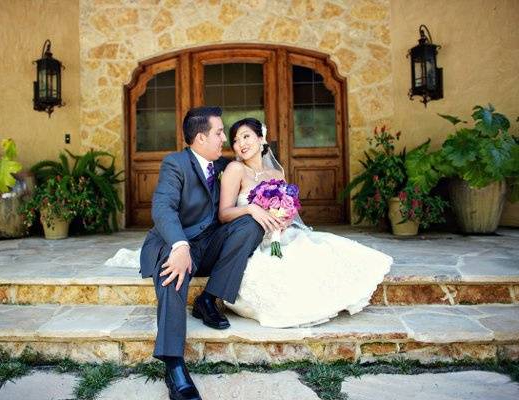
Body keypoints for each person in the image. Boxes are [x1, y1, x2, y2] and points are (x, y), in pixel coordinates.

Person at [137, 107, 265, 400]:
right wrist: (180, 246)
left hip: (209, 244)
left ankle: (209, 298)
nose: (226, 139)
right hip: (174, 241)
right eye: (220, 133)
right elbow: (162, 209)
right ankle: (174, 365)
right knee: (172, 271)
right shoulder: (175, 163)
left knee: (250, 223)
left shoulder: (224, 166)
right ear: (200, 137)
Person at [218, 117, 393, 328]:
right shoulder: (235, 170)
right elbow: (224, 214)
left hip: (279, 235)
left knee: (320, 252)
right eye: (236, 140)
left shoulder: (276, 173)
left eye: (246, 136)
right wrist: (250, 209)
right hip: (252, 240)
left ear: (261, 138)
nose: (241, 144)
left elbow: (286, 206)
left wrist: (285, 219)